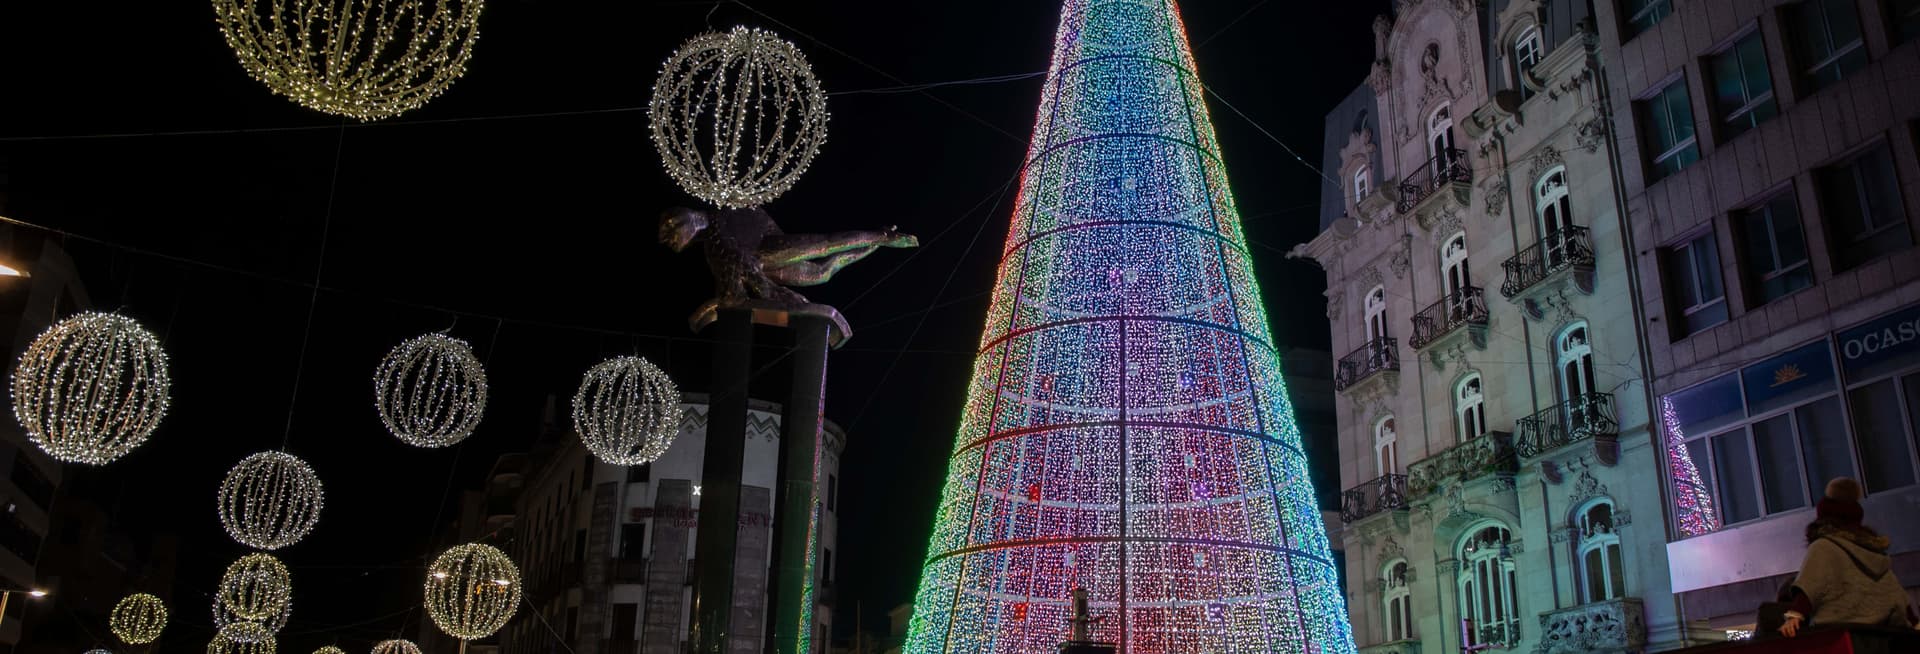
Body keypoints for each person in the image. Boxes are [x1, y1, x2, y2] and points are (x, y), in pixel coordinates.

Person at [1778, 477, 1919, 637]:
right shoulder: (1873, 554)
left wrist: (1795, 615)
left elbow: (1811, 583)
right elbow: (1894, 592)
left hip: (1839, 636)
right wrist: (1913, 621)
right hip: (1878, 638)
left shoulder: (1824, 547)